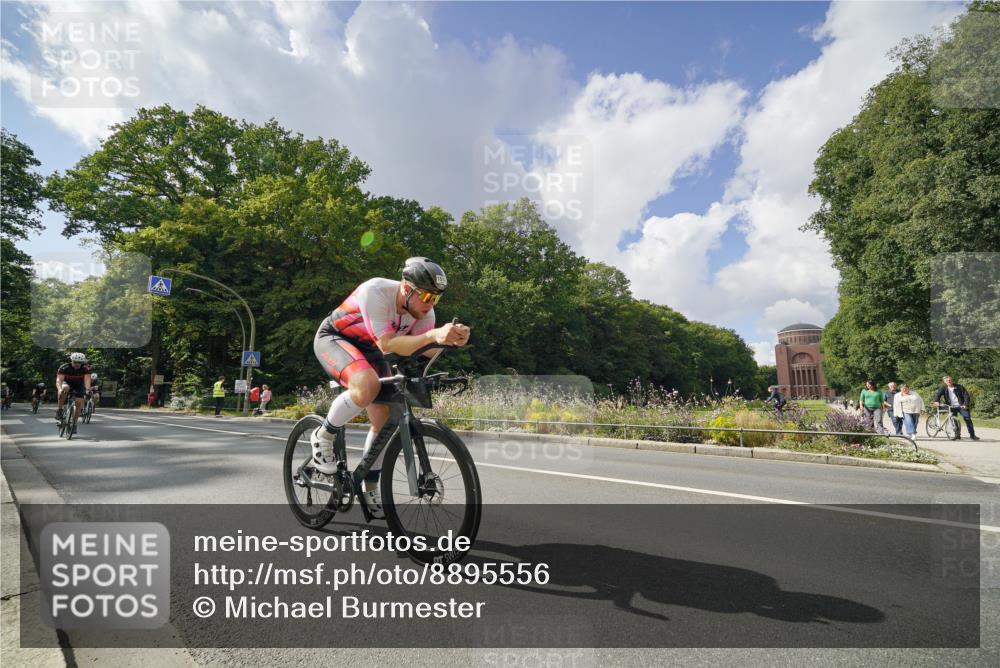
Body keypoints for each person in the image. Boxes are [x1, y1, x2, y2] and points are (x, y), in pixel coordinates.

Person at [310, 257, 470, 519]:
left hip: (375, 353)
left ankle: (369, 483)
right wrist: (432, 336)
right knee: (367, 386)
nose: (431, 305)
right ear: (407, 289)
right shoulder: (376, 291)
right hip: (337, 339)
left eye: (436, 299)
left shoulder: (424, 313)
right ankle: (324, 434)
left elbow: (416, 354)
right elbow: (388, 345)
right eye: (427, 297)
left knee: (386, 417)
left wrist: (450, 340)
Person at [933, 375, 980, 441]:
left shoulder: (959, 387)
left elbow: (966, 395)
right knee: (954, 420)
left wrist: (965, 404)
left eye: (950, 380)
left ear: (952, 380)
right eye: (947, 380)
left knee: (967, 418)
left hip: (961, 406)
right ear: (944, 382)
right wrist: (936, 401)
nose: (949, 381)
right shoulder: (943, 388)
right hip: (951, 406)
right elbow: (937, 395)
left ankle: (972, 435)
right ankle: (957, 435)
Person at [56, 353, 92, 428]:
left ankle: (74, 423)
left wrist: (88, 390)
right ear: (71, 361)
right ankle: (60, 410)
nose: (77, 364)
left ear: (82, 362)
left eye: (79, 362)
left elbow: (87, 381)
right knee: (65, 388)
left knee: (79, 403)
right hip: (67, 383)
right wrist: (59, 389)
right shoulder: (64, 367)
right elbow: (59, 380)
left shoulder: (86, 369)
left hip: (79, 385)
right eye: (75, 362)